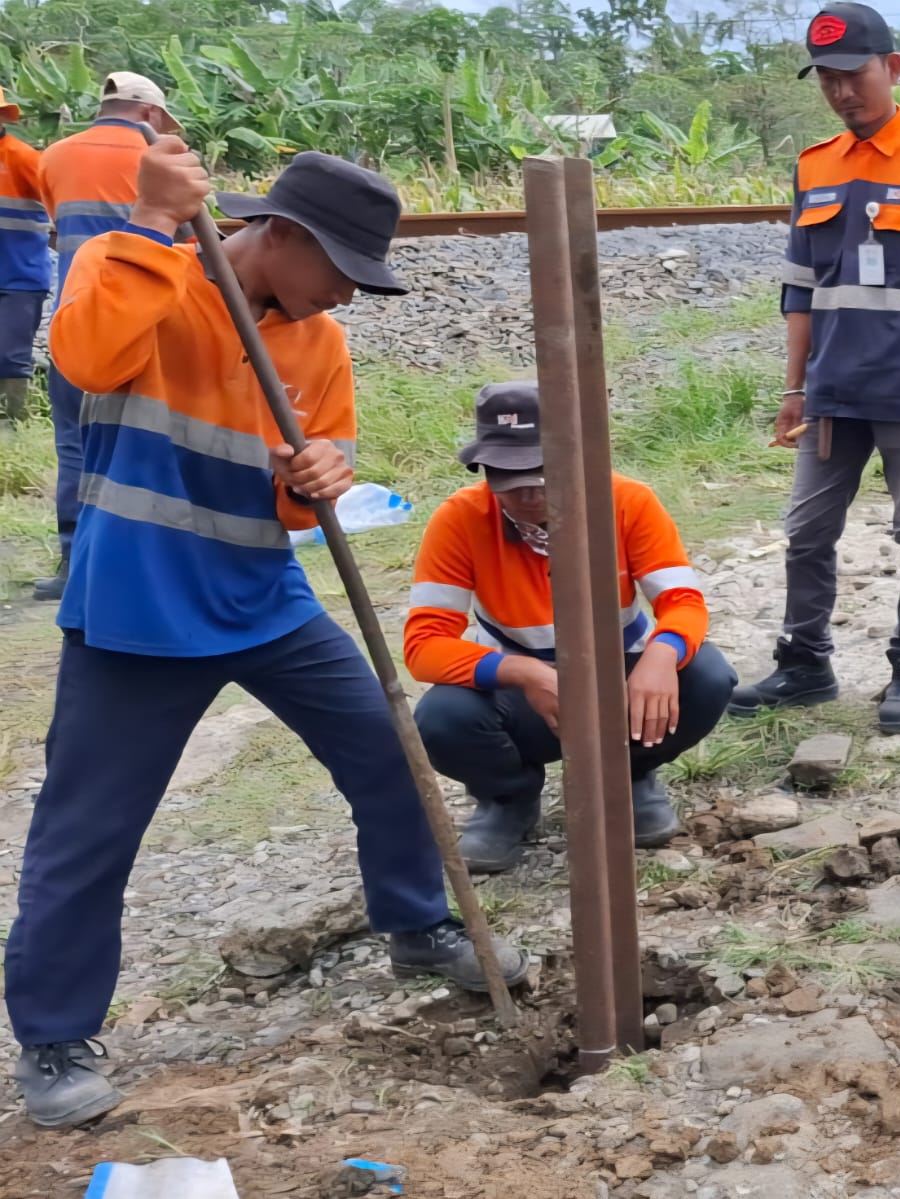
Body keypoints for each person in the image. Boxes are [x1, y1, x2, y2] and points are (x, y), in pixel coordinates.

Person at [4, 137, 526, 1131]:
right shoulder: (150, 278)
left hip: (261, 598)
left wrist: (316, 477)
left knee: (391, 749)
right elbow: (83, 358)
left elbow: (300, 503)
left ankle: (419, 922)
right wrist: (150, 221)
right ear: (279, 235)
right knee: (89, 828)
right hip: (138, 606)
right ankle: (55, 1035)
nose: (349, 297)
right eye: (341, 272)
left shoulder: (318, 343)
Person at [729, 1, 900, 736]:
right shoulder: (815, 167)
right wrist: (793, 386)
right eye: (828, 80)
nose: (842, 92)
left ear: (893, 69)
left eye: (855, 75)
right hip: (833, 393)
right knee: (807, 531)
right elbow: (800, 291)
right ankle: (805, 662)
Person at [405, 384, 737, 873]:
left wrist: (662, 655)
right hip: (521, 694)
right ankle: (509, 800)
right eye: (509, 478)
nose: (528, 493)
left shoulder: (627, 502)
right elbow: (424, 646)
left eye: (540, 474)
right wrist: (524, 674)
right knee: (442, 717)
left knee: (708, 676)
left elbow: (682, 603)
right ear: (485, 470)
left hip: (618, 677)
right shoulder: (460, 519)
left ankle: (630, 776)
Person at [33, 72, 181, 601]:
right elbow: (187, 241)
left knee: (73, 443)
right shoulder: (162, 156)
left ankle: (75, 564)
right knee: (149, 443)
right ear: (151, 115)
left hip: (74, 324)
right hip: (145, 327)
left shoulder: (53, 157)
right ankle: (142, 567)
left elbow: (58, 228)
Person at [0, 85, 49, 427]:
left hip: (19, 276)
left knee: (9, 356)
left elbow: (59, 206)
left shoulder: (24, 158)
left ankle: (14, 426)